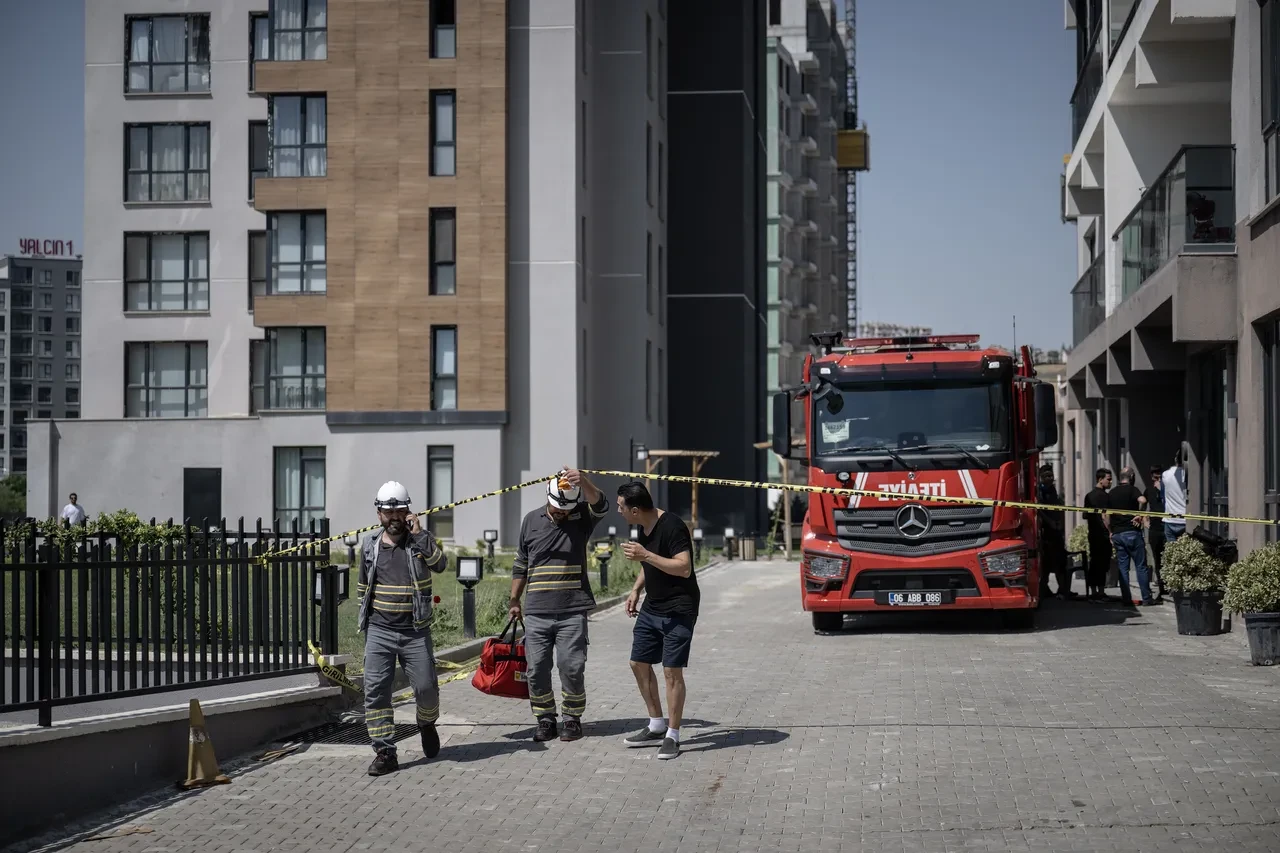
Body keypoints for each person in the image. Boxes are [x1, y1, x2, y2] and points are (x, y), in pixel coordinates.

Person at [509, 467, 609, 743]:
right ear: (548, 498)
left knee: (571, 667)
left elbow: (601, 503)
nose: (561, 513)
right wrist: (514, 600)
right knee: (537, 668)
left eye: (566, 508)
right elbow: (521, 564)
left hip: (572, 610)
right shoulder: (530, 521)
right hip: (537, 611)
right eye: (557, 508)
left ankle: (572, 719)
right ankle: (544, 719)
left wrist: (583, 480)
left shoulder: (581, 518)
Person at [356, 481, 448, 776]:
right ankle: (385, 751)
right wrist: (368, 619)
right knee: (376, 692)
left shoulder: (419, 541)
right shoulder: (370, 545)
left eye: (399, 510)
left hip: (415, 630)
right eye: (388, 512)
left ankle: (426, 723)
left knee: (426, 689)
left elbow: (441, 565)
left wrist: (420, 535)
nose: (394, 517)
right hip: (380, 631)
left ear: (408, 510)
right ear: (379, 514)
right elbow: (362, 586)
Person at [617, 481, 697, 761]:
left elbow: (684, 567)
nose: (619, 511)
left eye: (621, 507)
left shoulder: (673, 526)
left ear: (635, 510)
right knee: (638, 662)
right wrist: (637, 589)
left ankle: (672, 736)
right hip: (653, 606)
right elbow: (649, 564)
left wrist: (645, 554)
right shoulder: (644, 526)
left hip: (679, 608)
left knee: (671, 672)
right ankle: (656, 725)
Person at [1106, 467, 1155, 607]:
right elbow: (1143, 500)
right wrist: (1140, 514)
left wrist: (1110, 531)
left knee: (1123, 568)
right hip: (1132, 533)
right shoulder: (1133, 490)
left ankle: (1126, 599)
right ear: (1132, 476)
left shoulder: (1112, 492)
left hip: (1118, 535)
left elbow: (1106, 516)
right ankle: (1146, 598)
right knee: (1141, 566)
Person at [1036, 464, 1073, 599]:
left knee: (1060, 561)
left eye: (1051, 476)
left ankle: (1062, 589)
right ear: (1041, 477)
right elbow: (1039, 509)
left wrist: (1060, 523)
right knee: (1046, 563)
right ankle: (1045, 590)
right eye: (1046, 476)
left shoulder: (1053, 490)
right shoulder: (1040, 491)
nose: (1049, 478)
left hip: (1057, 531)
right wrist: (1050, 522)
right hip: (1046, 533)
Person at [1082, 468, 1113, 600]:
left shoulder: (1088, 496)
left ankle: (1093, 591)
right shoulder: (1106, 497)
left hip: (1093, 534)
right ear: (1100, 479)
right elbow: (1106, 516)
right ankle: (1100, 592)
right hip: (1103, 535)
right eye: (1108, 479)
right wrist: (1111, 531)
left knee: (1094, 562)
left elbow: (1085, 515)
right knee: (1103, 563)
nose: (1111, 482)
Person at [1144, 465, 1167, 601]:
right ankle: (1162, 587)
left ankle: (1169, 586)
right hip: (1154, 529)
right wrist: (1145, 521)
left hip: (1166, 527)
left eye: (1159, 476)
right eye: (1155, 477)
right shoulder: (1148, 491)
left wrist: (1162, 490)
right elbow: (1143, 505)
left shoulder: (1167, 490)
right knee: (1157, 560)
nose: (1157, 479)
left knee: (1167, 559)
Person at [1161, 451, 1188, 543]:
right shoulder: (1188, 475)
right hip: (1185, 519)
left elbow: (1163, 496)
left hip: (1170, 519)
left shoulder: (1165, 475)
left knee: (1171, 551)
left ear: (1175, 459)